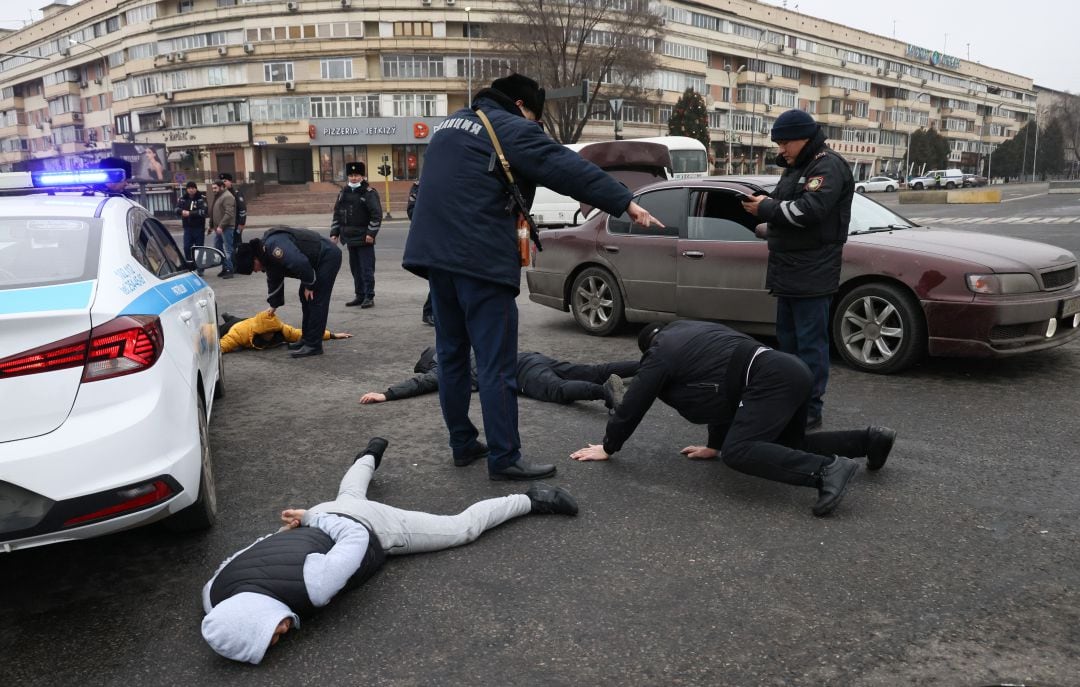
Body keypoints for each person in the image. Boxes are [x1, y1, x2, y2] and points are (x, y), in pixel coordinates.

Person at [402, 72, 662, 482]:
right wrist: (624, 201)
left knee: (452, 357)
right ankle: (505, 458)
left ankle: (463, 444)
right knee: (495, 364)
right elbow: (565, 166)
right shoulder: (509, 127)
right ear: (522, 106)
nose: (535, 128)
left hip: (436, 261)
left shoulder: (450, 126)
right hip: (480, 263)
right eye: (536, 119)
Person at [201, 438, 578, 665]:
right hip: (325, 519)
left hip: (368, 527)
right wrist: (300, 524)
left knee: (460, 529)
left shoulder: (315, 586)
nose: (284, 630)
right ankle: (369, 453)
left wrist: (314, 516)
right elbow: (250, 550)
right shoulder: (214, 593)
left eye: (271, 632)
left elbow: (356, 539)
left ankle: (531, 499)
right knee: (348, 493)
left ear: (251, 619)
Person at [570, 321, 896, 517]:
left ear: (648, 348)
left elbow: (636, 399)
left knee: (739, 452)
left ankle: (826, 471)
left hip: (767, 379)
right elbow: (720, 389)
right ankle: (869, 440)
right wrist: (714, 444)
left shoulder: (660, 353)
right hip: (789, 369)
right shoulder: (695, 331)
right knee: (789, 445)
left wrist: (609, 446)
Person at [740, 109, 854, 430]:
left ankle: (810, 409)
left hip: (813, 274)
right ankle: (788, 401)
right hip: (788, 272)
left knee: (810, 347)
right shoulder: (796, 167)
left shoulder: (826, 165)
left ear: (803, 138)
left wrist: (766, 208)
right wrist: (761, 203)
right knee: (787, 346)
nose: (780, 150)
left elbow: (810, 210)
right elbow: (780, 202)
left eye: (784, 143)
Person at [360, 346, 636, 415]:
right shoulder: (461, 346)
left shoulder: (446, 366)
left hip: (519, 373)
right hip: (527, 357)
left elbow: (421, 383)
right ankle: (646, 365)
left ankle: (605, 392)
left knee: (558, 391)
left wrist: (388, 394)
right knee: (589, 369)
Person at [233, 226, 343, 359]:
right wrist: (274, 305)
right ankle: (307, 339)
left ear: (254, 259)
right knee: (305, 297)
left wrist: (310, 285)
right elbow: (274, 279)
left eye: (253, 268)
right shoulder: (266, 254)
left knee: (316, 299)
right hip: (314, 263)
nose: (255, 271)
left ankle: (314, 345)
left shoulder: (274, 247)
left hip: (327, 256)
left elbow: (300, 263)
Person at [330, 161, 382, 308]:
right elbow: (337, 214)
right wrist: (335, 233)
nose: (353, 178)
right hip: (349, 237)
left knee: (366, 269)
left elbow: (376, 215)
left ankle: (369, 296)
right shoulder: (343, 193)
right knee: (355, 269)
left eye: (356, 175)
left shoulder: (369, 193)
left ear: (362, 176)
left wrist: (371, 233)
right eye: (351, 175)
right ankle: (359, 295)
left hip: (365, 237)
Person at [218, 311, 352, 353]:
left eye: (273, 332)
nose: (271, 335)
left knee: (239, 319)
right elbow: (223, 344)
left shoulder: (281, 329)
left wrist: (332, 335)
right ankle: (228, 318)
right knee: (216, 330)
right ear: (260, 331)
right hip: (235, 326)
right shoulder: (239, 332)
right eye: (267, 332)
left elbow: (301, 333)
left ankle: (230, 316)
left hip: (249, 321)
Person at [406, 181, 434, 326]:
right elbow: (412, 211)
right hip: (430, 236)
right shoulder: (420, 185)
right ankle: (429, 312)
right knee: (438, 277)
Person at [176, 181, 208, 272]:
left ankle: (200, 268)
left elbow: (204, 211)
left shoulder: (201, 198)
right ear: (187, 189)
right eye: (189, 188)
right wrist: (181, 212)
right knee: (186, 247)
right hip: (187, 227)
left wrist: (190, 213)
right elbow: (176, 209)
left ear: (196, 189)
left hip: (199, 227)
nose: (191, 190)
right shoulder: (182, 198)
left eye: (193, 188)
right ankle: (190, 265)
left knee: (199, 248)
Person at [209, 180, 237, 279]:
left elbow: (229, 213)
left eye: (215, 188)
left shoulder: (227, 196)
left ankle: (230, 269)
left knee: (227, 249)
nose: (214, 190)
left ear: (222, 187)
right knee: (218, 248)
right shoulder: (219, 196)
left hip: (226, 227)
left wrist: (221, 226)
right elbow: (214, 212)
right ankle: (225, 267)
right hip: (219, 228)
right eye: (213, 188)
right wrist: (211, 226)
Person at [219, 173, 247, 239]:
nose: (223, 183)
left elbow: (242, 209)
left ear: (230, 181)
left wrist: (241, 223)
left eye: (225, 181)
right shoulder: (220, 194)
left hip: (235, 224)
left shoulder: (236, 193)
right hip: (223, 224)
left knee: (235, 243)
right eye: (221, 181)